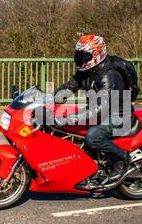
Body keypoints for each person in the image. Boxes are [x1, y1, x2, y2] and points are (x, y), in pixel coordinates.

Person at [54, 35, 135, 180]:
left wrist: (70, 118)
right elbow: (69, 87)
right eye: (78, 56)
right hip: (102, 111)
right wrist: (47, 100)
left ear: (97, 55)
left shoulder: (109, 75)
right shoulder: (87, 71)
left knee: (92, 137)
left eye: (84, 56)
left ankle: (122, 159)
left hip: (119, 115)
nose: (80, 60)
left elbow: (99, 108)